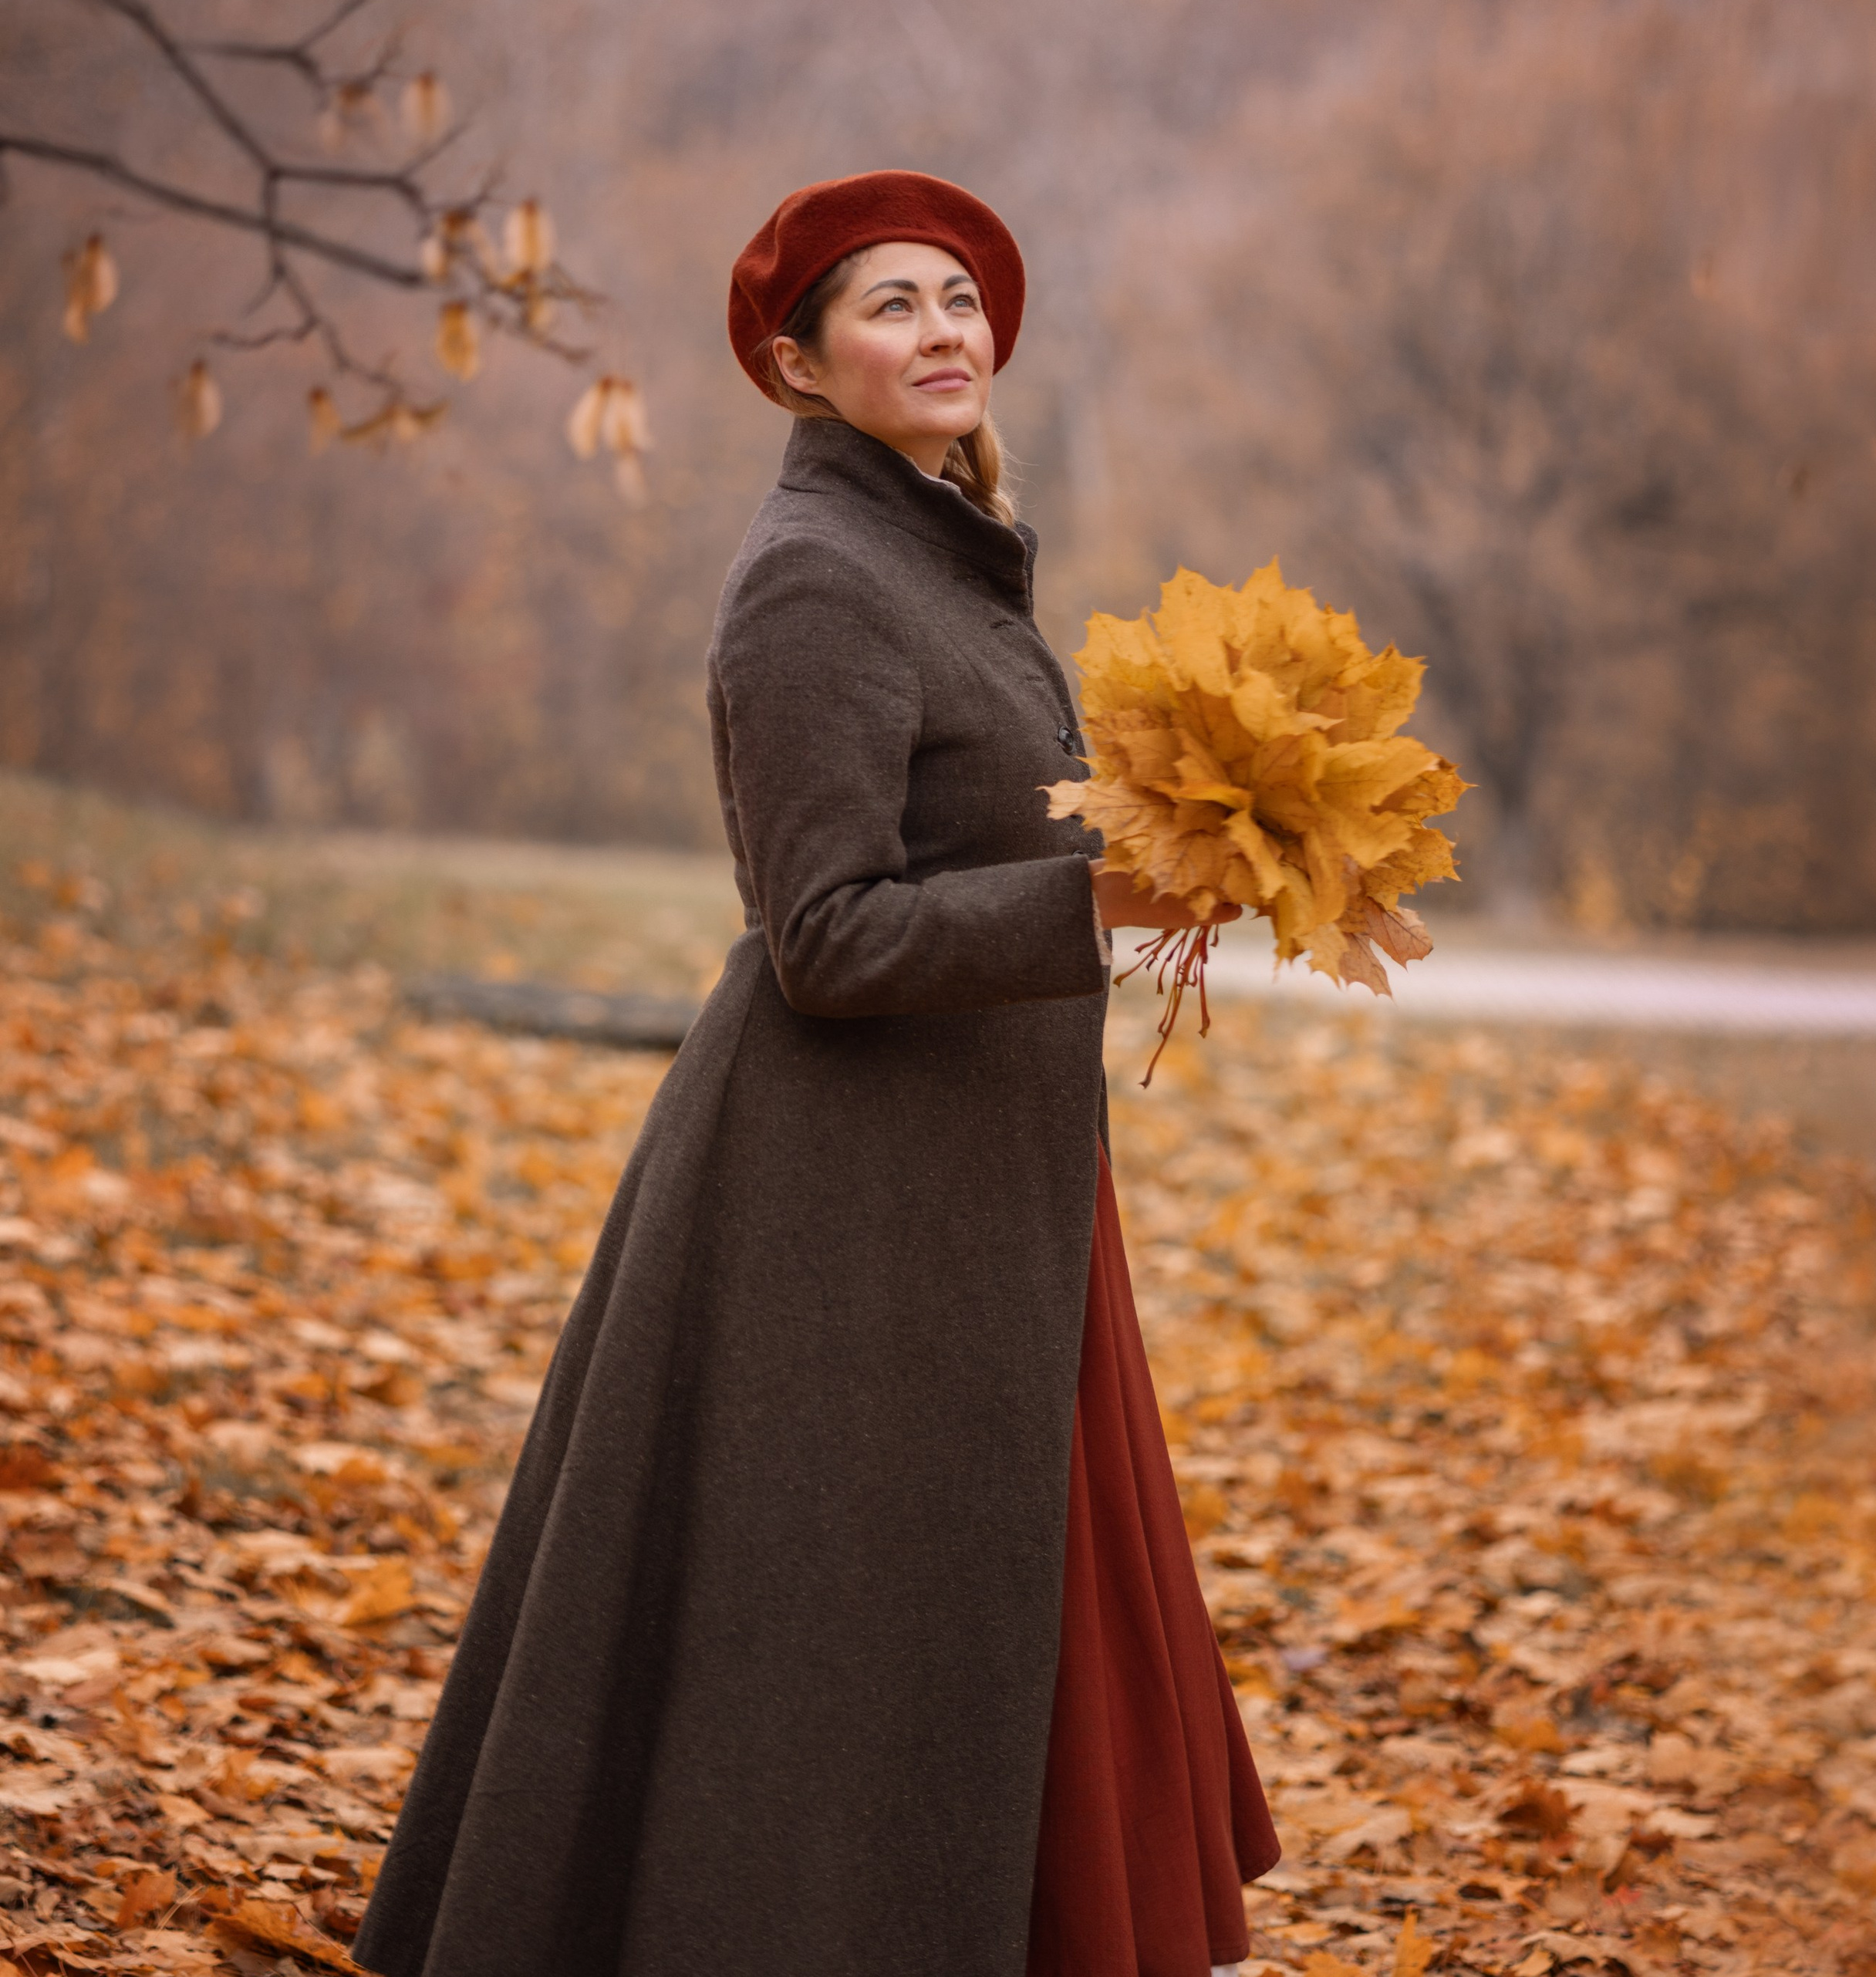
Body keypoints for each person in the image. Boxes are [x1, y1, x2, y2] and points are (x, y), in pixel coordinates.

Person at [353, 169, 1278, 1977]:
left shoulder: (939, 551)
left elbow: (976, 850)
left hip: (975, 1189)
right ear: (797, 365)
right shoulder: (814, 584)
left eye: (959, 298)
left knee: (994, 1597)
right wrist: (1098, 899)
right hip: (835, 1207)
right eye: (891, 307)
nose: (943, 333)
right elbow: (828, 934)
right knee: (830, 1635)